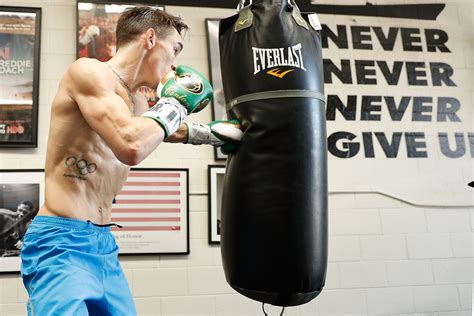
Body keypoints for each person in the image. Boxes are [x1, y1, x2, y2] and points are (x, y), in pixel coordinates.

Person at [20, 6, 242, 316]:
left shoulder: (137, 99)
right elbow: (131, 144)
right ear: (151, 38)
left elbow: (154, 129)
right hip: (61, 242)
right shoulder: (89, 72)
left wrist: (209, 134)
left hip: (103, 244)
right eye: (174, 49)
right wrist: (175, 105)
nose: (175, 63)